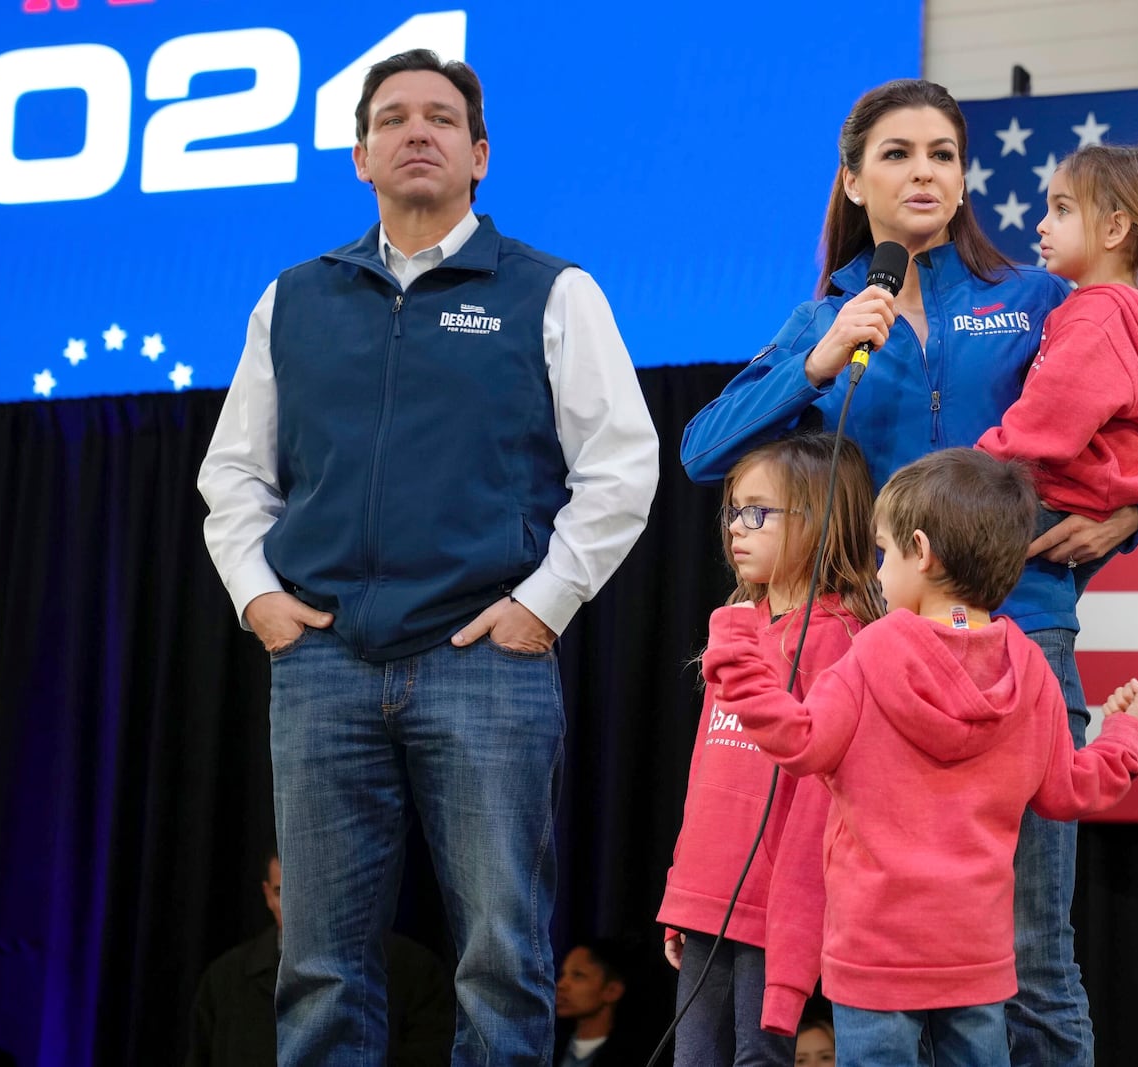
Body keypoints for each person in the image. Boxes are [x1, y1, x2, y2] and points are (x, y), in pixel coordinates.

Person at [678, 77, 1138, 1064]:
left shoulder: (1035, 298)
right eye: (899, 153)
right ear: (854, 179)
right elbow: (704, 448)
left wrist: (1131, 511)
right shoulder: (825, 315)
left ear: (962, 179)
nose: (924, 171)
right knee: (877, 945)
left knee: (1032, 948)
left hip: (1022, 636)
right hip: (877, 657)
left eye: (942, 154)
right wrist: (815, 363)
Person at [196, 48, 659, 1066]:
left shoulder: (552, 290)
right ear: (359, 155)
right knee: (318, 961)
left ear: (479, 154)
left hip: (485, 660)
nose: (416, 131)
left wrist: (543, 602)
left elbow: (622, 465)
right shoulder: (293, 299)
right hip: (320, 665)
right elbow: (233, 475)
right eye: (393, 118)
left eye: (440, 118)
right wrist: (258, 599)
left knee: (501, 956)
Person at [701, 447, 1138, 1065]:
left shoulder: (873, 651)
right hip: (977, 960)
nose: (878, 574)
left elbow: (799, 742)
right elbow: (1069, 791)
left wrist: (733, 641)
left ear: (921, 551)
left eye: (883, 553)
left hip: (874, 954)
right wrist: (1123, 734)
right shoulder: (1030, 667)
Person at [658, 433, 884, 1064]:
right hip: (708, 894)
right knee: (694, 1058)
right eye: (734, 510)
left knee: (759, 1057)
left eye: (760, 512)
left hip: (776, 900)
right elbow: (707, 773)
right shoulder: (734, 626)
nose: (738, 527)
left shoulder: (843, 640)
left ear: (821, 521)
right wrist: (683, 895)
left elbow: (824, 792)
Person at [975, 144, 1138, 592]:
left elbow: (1041, 431)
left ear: (1115, 228)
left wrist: (957, 478)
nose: (1042, 224)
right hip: (1086, 513)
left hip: (1048, 511)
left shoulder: (1095, 320)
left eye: (1061, 210)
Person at [185, 853, 453, 1067]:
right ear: (267, 895)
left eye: (305, 891)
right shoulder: (225, 978)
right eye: (281, 892)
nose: (295, 907)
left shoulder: (413, 969)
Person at [552, 939, 647, 1067]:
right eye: (563, 975)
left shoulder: (636, 1056)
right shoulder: (549, 1047)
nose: (561, 985)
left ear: (612, 990)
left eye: (578, 975)